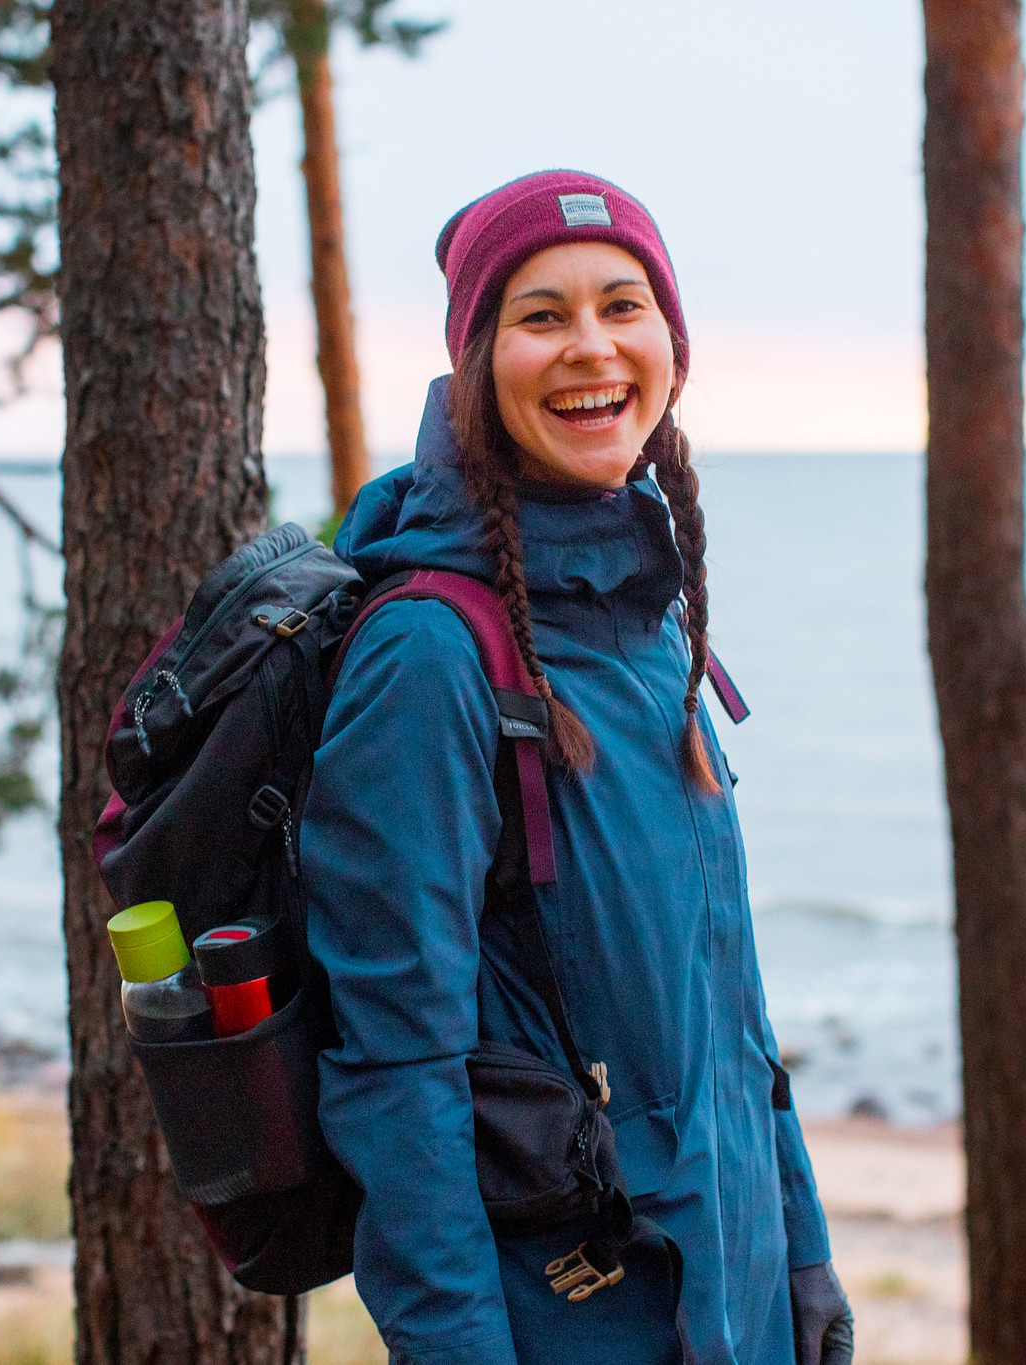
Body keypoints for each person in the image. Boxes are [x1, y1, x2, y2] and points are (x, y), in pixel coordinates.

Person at [300, 170, 853, 1365]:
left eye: (623, 304)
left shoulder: (653, 619)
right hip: (573, 1317)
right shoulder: (431, 653)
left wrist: (800, 1254)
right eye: (540, 316)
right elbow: (395, 1066)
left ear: (671, 343)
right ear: (477, 361)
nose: (591, 347)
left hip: (734, 1285)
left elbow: (731, 1001)